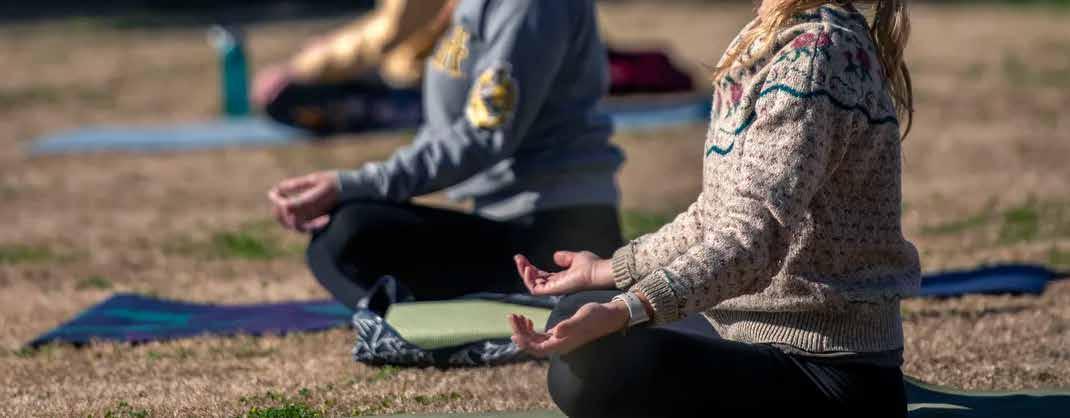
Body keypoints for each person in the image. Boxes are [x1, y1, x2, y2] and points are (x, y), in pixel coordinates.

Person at [508, 1, 920, 416]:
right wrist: (607, 271)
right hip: (746, 333)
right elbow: (715, 214)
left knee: (593, 369)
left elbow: (750, 240)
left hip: (825, 370)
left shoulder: (814, 59)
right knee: (574, 315)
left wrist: (626, 308)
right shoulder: (773, 39)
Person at [268, 0, 625, 314]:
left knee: (349, 235)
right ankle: (404, 318)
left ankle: (407, 324)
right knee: (339, 231)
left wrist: (354, 185)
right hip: (509, 225)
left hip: (558, 237)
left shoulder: (529, 6)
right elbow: (444, 130)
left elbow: (484, 135)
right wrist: (352, 187)